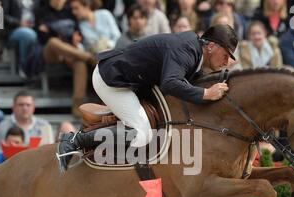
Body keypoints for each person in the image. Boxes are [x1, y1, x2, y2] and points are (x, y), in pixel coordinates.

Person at [56, 24, 238, 172]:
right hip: (112, 80)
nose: (226, 62)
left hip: (132, 81)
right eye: (225, 55)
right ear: (211, 46)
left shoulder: (194, 50)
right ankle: (74, 140)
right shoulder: (186, 50)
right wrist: (206, 93)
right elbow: (170, 83)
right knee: (142, 134)